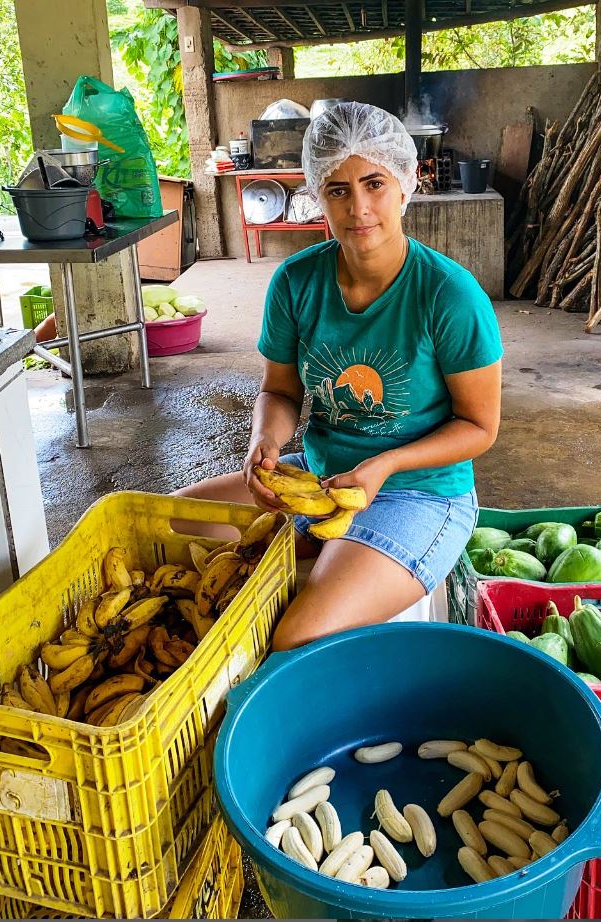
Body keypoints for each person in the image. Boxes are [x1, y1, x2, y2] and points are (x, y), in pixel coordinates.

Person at [177, 102, 502, 650]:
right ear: (316, 195)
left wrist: (386, 463)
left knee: (296, 636)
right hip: (321, 480)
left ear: (405, 183)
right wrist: (266, 440)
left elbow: (479, 426)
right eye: (338, 190)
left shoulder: (449, 295)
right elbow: (280, 391)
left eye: (374, 182)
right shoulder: (295, 283)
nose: (359, 207)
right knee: (175, 530)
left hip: (418, 494)